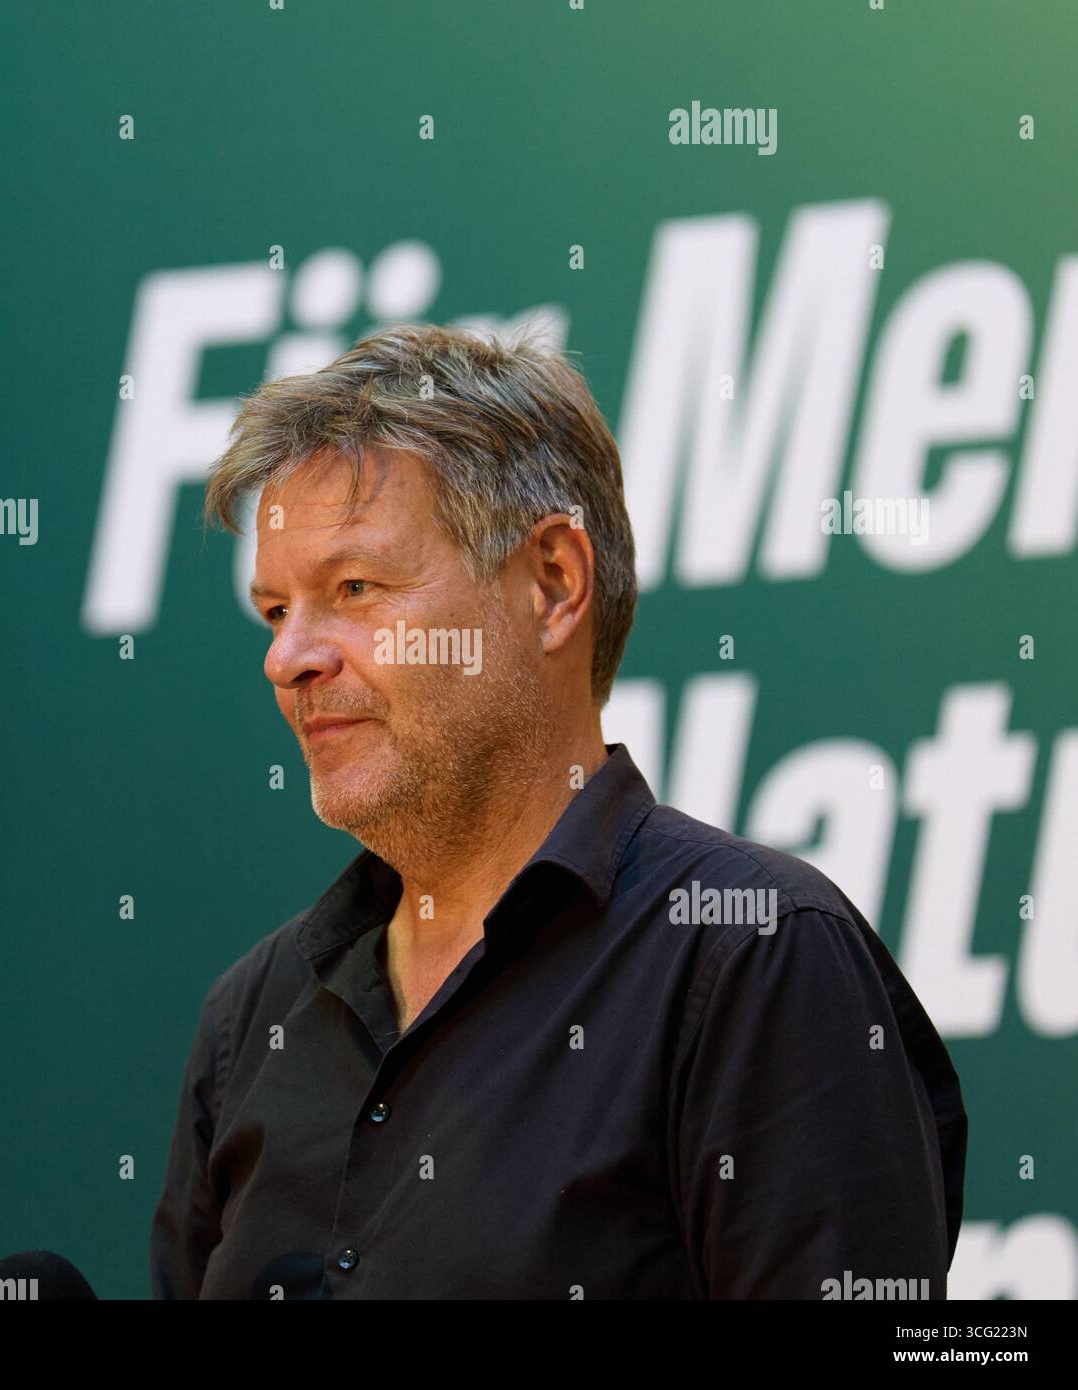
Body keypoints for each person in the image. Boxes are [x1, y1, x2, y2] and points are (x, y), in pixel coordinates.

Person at [151, 322, 967, 1299]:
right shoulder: (252, 1016)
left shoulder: (755, 956)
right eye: (278, 611)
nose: (288, 659)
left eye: (354, 588)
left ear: (551, 585)